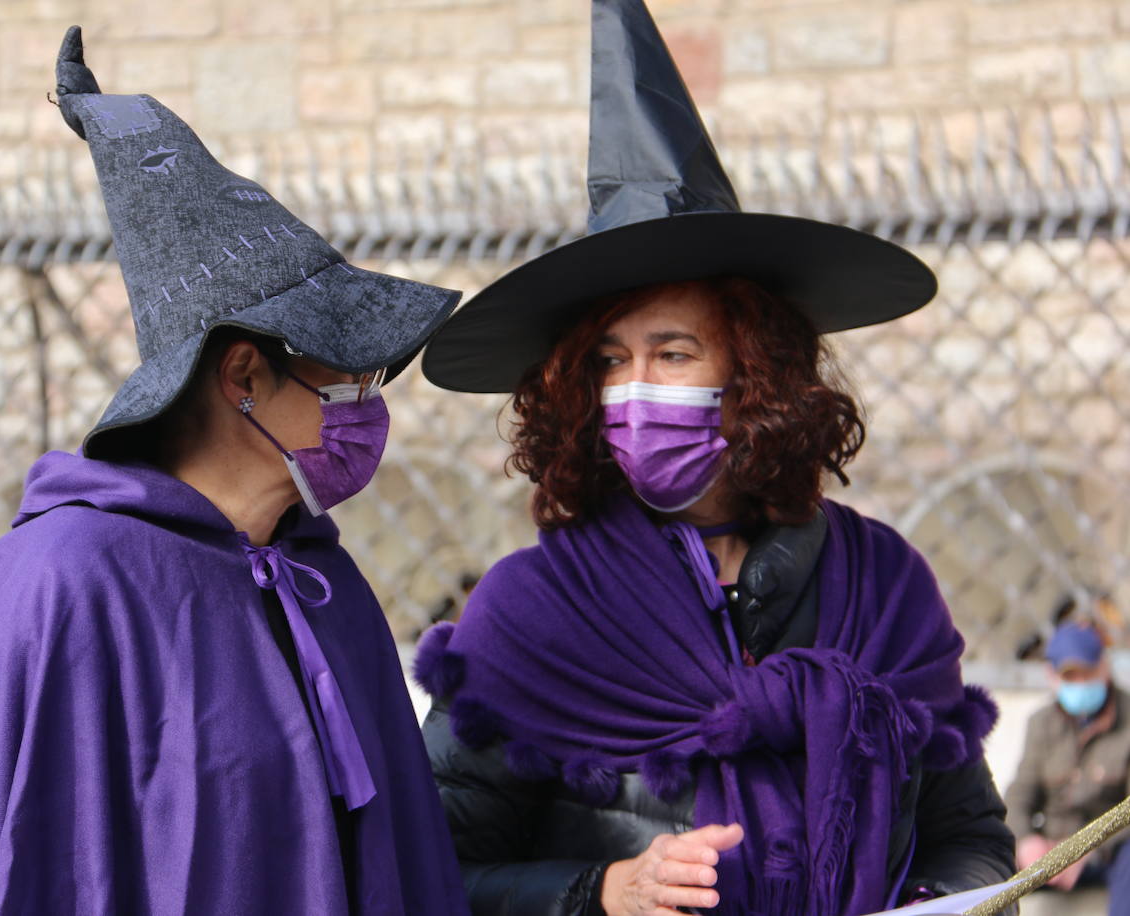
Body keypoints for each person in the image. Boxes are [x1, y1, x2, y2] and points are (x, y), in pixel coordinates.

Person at [411, 1, 1014, 914]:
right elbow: (428, 876)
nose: (634, 388)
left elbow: (969, 837)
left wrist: (933, 901)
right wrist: (600, 891)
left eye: (673, 353)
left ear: (757, 370)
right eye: (610, 360)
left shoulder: (886, 584)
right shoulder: (530, 613)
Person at [0, 28, 468, 915]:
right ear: (243, 377)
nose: (366, 401)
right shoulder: (60, 581)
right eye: (346, 371)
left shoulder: (323, 582)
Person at [1008, 621, 1130, 913]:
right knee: (983, 859)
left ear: (1104, 667)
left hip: (1107, 855)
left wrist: (1087, 851)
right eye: (1070, 676)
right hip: (1050, 850)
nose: (1080, 683)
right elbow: (1019, 794)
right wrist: (1026, 841)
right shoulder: (1041, 724)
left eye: (1086, 673)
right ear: (1053, 676)